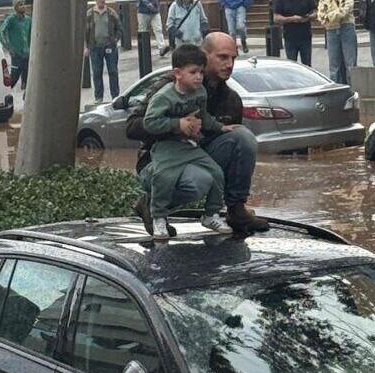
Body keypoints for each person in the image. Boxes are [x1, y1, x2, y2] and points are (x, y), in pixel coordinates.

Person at [128, 33, 267, 236]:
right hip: (161, 158)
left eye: (233, 58)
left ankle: (235, 209)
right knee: (196, 182)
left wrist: (215, 129)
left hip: (198, 153)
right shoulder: (169, 87)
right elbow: (132, 126)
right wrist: (176, 125)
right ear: (204, 55)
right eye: (222, 57)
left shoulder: (230, 98)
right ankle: (151, 205)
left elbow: (233, 155)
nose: (229, 64)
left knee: (243, 137)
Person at [141, 45, 234, 240]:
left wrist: (219, 127)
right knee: (164, 178)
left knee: (216, 173)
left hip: (189, 146)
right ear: (178, 73)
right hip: (167, 147)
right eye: (193, 72)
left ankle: (211, 214)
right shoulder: (164, 97)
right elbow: (149, 122)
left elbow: (204, 116)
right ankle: (158, 216)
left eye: (201, 71)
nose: (199, 76)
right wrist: (177, 124)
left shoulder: (200, 92)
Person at [84, 0, 123, 103]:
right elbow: (85, 32)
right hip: (95, 47)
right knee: (97, 72)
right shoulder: (89, 14)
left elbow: (119, 27)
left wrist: (115, 40)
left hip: (109, 46)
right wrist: (86, 47)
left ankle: (115, 96)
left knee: (113, 71)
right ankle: (98, 98)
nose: (101, 2)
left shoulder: (111, 13)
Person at [318, 0, 357, 85]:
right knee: (334, 67)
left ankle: (353, 92)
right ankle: (337, 94)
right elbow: (320, 15)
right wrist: (329, 17)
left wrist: (328, 17)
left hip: (346, 27)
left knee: (350, 65)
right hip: (331, 30)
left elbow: (346, 10)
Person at [0, 0, 32, 91]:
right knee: (14, 78)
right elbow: (1, 32)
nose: (23, 6)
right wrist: (9, 48)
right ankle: (4, 93)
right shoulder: (11, 19)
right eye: (20, 5)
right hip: (17, 54)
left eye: (23, 4)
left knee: (27, 80)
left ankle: (26, 99)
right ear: (15, 7)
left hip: (27, 54)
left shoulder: (28, 20)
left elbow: (32, 34)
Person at [273, 0, 316, 65]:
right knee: (291, 65)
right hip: (290, 37)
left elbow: (316, 12)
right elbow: (276, 18)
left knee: (307, 65)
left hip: (305, 36)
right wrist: (291, 19)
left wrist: (308, 17)